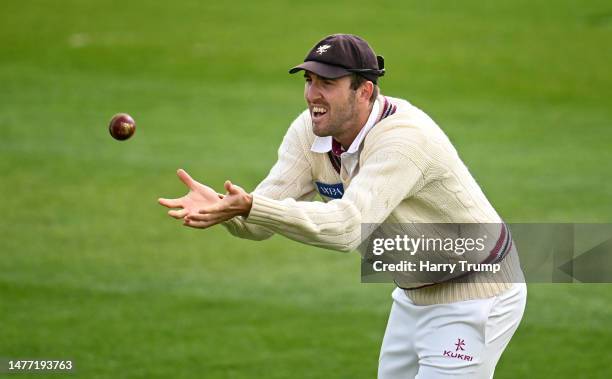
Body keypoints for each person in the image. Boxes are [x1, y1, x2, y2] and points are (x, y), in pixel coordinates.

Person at [158, 34, 526, 379]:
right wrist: (227, 209)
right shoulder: (309, 131)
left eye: (327, 84)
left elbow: (347, 229)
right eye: (308, 81)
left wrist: (252, 206)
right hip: (414, 293)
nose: (312, 95)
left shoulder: (404, 139)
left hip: (477, 292)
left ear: (364, 91)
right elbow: (259, 221)